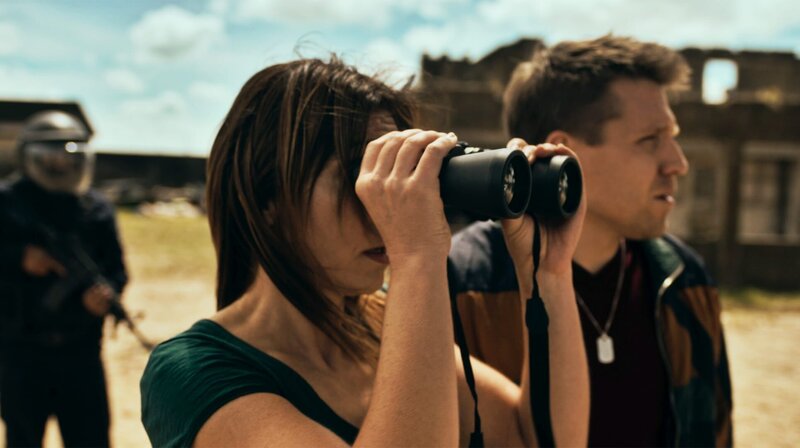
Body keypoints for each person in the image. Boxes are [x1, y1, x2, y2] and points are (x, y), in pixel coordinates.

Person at [139, 57, 590, 447]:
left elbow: (535, 439)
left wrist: (547, 272)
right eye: (361, 178)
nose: (382, 204)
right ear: (266, 199)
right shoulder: (193, 372)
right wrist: (417, 256)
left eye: (394, 179)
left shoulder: (377, 326)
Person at [448, 35, 733, 447]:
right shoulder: (461, 283)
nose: (678, 163)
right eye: (650, 140)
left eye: (672, 137)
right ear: (562, 152)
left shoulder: (686, 279)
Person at [0, 110, 127, 447]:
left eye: (69, 156)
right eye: (51, 156)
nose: (61, 164)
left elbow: (116, 269)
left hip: (81, 352)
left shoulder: (96, 209)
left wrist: (105, 295)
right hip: (20, 351)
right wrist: (18, 258)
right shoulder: (7, 203)